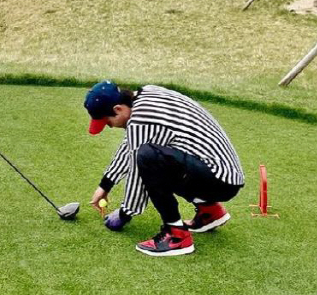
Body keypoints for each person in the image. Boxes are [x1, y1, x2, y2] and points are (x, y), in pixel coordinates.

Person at [85, 80, 244, 257]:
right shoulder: (146, 95)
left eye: (108, 122)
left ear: (118, 109)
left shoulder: (141, 120)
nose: (111, 126)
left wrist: (124, 214)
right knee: (154, 156)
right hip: (224, 174)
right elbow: (130, 145)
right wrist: (105, 185)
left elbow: (139, 173)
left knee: (148, 158)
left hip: (220, 180)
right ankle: (210, 211)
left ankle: (177, 235)